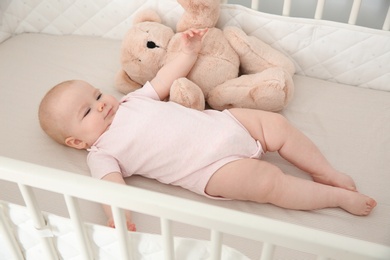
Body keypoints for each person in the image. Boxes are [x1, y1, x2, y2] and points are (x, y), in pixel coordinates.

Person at [38, 28, 376, 231]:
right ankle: (337, 198)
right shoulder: (102, 153)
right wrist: (117, 218)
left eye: (97, 94)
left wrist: (188, 51)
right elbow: (112, 190)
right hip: (211, 170)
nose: (100, 103)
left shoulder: (132, 101)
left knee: (277, 124)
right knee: (269, 183)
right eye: (87, 110)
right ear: (76, 141)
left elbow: (165, 78)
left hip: (227, 124)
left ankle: (326, 172)